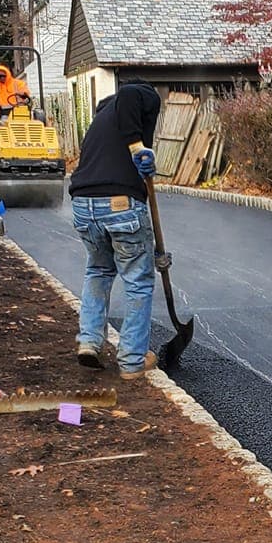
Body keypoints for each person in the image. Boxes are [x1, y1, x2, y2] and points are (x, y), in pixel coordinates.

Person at [68, 75, 163, 375]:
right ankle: (132, 361)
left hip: (83, 205)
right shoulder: (140, 94)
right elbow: (131, 95)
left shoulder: (100, 120)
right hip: (120, 204)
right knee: (137, 280)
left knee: (98, 269)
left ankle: (89, 341)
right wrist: (137, 149)